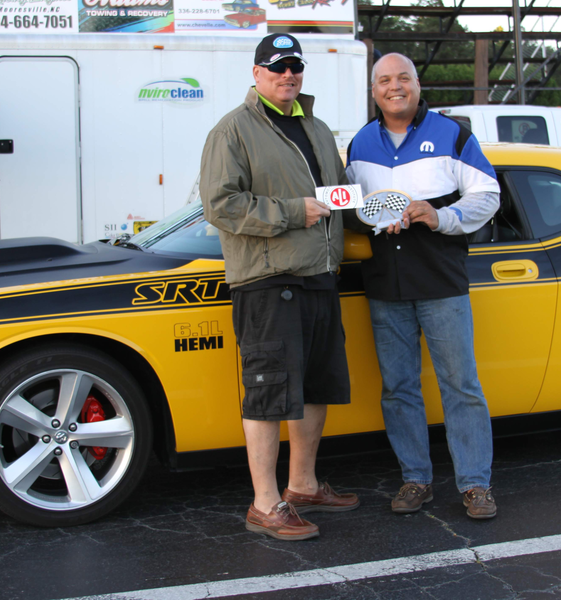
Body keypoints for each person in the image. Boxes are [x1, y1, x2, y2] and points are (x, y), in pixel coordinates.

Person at [199, 33, 359, 541]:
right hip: (268, 283)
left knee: (315, 389)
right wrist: (293, 212)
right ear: (257, 73)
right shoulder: (233, 130)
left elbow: (338, 196)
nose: (288, 75)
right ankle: (265, 503)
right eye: (277, 67)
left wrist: (382, 210)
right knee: (268, 394)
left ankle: (303, 485)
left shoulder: (315, 126)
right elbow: (220, 205)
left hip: (318, 277)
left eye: (295, 66)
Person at [346, 52, 500, 520]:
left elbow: (489, 194)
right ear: (374, 91)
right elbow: (353, 208)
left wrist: (441, 216)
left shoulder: (451, 134)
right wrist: (373, 217)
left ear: (416, 84)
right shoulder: (359, 144)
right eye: (384, 80)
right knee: (398, 388)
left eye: (403, 78)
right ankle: (416, 479)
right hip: (384, 287)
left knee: (461, 387)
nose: (395, 87)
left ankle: (475, 485)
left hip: (441, 283)